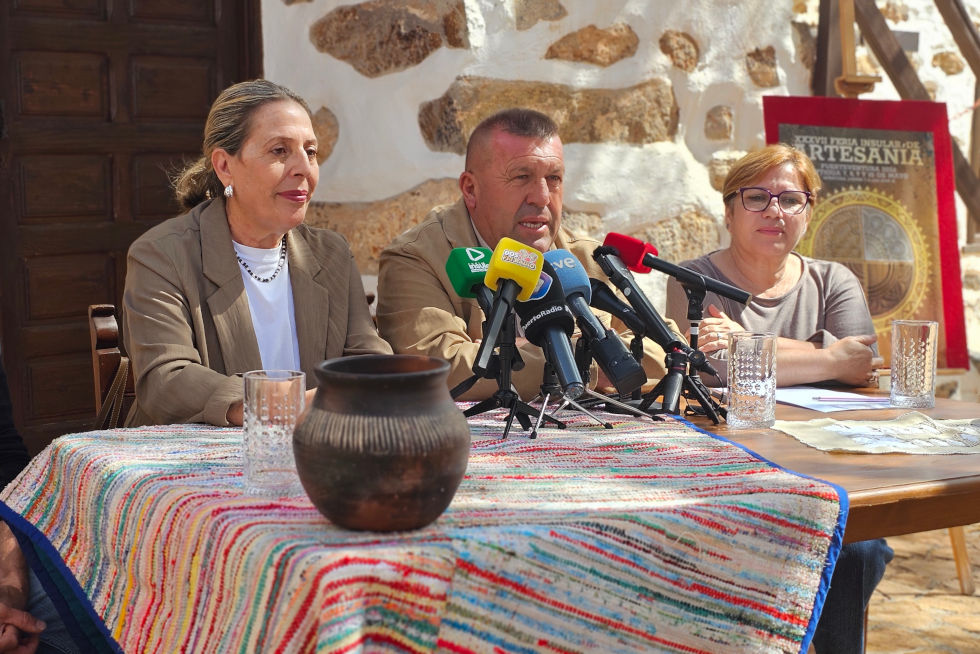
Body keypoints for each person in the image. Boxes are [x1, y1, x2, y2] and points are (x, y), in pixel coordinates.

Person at [665, 143, 891, 654]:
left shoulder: (833, 280)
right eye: (756, 197)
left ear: (808, 212)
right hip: (732, 468)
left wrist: (749, 344)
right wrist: (827, 357)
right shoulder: (694, 280)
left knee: (858, 551)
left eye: (790, 199)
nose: (775, 211)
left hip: (826, 463)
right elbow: (716, 370)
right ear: (729, 211)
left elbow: (861, 365)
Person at [123, 79, 391, 427]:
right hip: (191, 452)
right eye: (279, 151)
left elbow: (368, 359)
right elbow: (167, 380)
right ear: (224, 166)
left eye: (311, 152)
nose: (303, 168)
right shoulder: (161, 255)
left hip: (315, 445)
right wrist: (283, 406)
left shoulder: (331, 254)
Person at [376, 108, 672, 400]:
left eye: (554, 178)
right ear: (471, 189)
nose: (542, 197)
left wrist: (522, 356)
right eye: (521, 176)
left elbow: (668, 350)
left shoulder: (583, 256)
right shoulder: (417, 258)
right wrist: (591, 360)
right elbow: (439, 370)